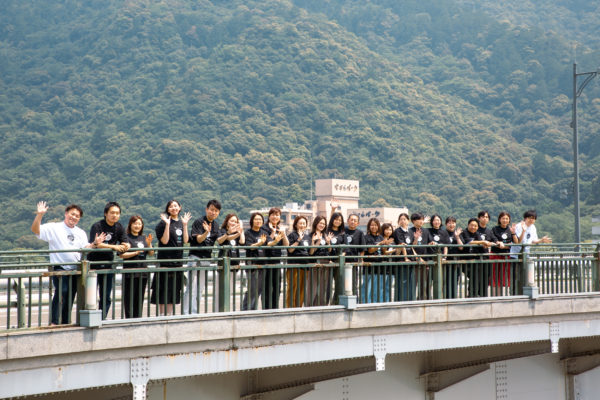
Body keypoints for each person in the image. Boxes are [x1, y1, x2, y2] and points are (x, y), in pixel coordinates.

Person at [31, 201, 104, 325]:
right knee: (62, 291)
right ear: (66, 213)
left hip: (75, 269)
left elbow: (85, 248)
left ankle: (65, 321)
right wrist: (40, 215)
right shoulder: (54, 227)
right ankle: (54, 321)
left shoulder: (80, 232)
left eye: (77, 216)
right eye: (72, 214)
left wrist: (94, 244)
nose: (74, 217)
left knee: (70, 295)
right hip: (60, 267)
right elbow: (35, 230)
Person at [87, 201, 130, 319]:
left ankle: (102, 318)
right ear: (106, 213)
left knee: (106, 296)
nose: (114, 215)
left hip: (108, 265)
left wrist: (126, 245)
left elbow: (125, 241)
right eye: (112, 213)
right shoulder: (97, 226)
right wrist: (114, 247)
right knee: (90, 296)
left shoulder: (119, 227)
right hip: (93, 265)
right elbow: (95, 244)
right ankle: (89, 319)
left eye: (117, 213)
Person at [150, 200, 191, 315]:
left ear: (180, 207)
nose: (174, 208)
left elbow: (186, 240)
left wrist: (185, 225)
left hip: (177, 263)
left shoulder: (181, 223)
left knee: (174, 292)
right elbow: (164, 241)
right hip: (165, 262)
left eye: (176, 206)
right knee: (163, 291)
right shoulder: (162, 223)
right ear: (168, 209)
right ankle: (162, 316)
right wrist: (167, 225)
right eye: (171, 206)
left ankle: (170, 316)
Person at [185, 199, 221, 314]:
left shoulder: (216, 225)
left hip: (206, 258)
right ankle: (186, 313)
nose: (213, 212)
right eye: (211, 210)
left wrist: (232, 233)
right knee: (191, 287)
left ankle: (194, 312)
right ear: (206, 209)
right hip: (195, 257)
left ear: (218, 213)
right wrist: (206, 232)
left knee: (200, 287)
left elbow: (219, 240)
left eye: (216, 211)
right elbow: (199, 240)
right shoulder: (199, 222)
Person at [118, 215, 154, 318]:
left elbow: (151, 253)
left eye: (139, 224)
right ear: (130, 225)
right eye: (135, 223)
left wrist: (149, 244)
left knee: (140, 297)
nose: (137, 226)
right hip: (130, 272)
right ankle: (129, 318)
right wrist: (135, 253)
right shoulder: (126, 238)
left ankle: (138, 318)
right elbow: (121, 255)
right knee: (129, 297)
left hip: (142, 272)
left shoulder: (143, 238)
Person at [261, 208, 289, 309]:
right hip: (266, 260)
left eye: (277, 215)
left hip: (277, 261)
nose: (275, 217)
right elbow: (267, 243)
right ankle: (266, 309)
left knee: (277, 286)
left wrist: (283, 234)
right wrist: (273, 232)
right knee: (267, 287)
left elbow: (286, 245)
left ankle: (275, 308)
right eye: (273, 215)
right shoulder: (264, 228)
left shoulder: (280, 228)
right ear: (269, 216)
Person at [459, 218, 493, 297]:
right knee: (475, 274)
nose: (473, 227)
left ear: (478, 227)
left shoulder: (477, 234)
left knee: (486, 271)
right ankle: (472, 294)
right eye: (471, 225)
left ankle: (482, 294)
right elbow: (469, 242)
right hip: (465, 261)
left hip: (476, 261)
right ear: (468, 225)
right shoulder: (464, 233)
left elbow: (481, 246)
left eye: (475, 226)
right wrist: (482, 242)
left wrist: (485, 245)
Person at [242, 212, 267, 310]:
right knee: (252, 289)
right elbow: (249, 247)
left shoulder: (263, 232)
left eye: (260, 219)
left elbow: (269, 243)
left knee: (258, 289)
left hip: (262, 264)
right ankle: (246, 310)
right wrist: (259, 243)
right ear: (252, 221)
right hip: (252, 264)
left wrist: (275, 240)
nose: (258, 221)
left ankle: (252, 309)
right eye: (256, 219)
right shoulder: (248, 233)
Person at [307, 216, 332, 306]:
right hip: (315, 262)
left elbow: (330, 250)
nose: (322, 225)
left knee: (323, 286)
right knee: (312, 286)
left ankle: (321, 306)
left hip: (326, 262)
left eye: (324, 224)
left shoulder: (325, 235)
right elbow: (311, 252)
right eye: (320, 223)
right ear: (316, 223)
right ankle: (309, 306)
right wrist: (316, 242)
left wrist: (328, 242)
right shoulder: (311, 235)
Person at [490, 212, 517, 295]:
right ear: (499, 219)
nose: (505, 220)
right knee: (495, 276)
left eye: (506, 219)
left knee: (506, 276)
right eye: (503, 218)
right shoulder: (495, 229)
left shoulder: (510, 230)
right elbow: (494, 240)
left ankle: (505, 295)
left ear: (509, 220)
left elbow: (515, 242)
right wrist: (500, 244)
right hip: (495, 255)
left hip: (506, 256)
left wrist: (513, 233)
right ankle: (496, 295)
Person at [286, 216, 310, 308]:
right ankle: (290, 308)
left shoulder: (307, 237)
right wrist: (298, 240)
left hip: (305, 266)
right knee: (292, 288)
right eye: (300, 223)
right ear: (296, 225)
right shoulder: (292, 235)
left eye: (304, 223)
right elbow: (290, 250)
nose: (302, 225)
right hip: (294, 266)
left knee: (302, 289)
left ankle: (298, 307)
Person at [410, 213, 432, 299]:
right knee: (413, 282)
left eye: (422, 219)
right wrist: (415, 238)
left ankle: (422, 299)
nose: (421, 221)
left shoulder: (425, 231)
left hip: (424, 260)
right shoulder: (410, 231)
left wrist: (432, 243)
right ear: (413, 221)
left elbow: (428, 242)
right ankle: (412, 299)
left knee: (424, 282)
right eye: (419, 219)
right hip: (414, 260)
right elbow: (411, 246)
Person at [393, 213, 415, 301]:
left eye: (404, 219)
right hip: (401, 259)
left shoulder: (410, 232)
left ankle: (410, 299)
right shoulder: (397, 231)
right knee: (402, 281)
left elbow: (412, 245)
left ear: (408, 221)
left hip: (411, 259)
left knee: (410, 281)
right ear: (398, 221)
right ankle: (401, 299)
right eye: (401, 219)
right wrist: (405, 258)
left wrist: (417, 257)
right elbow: (402, 245)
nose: (403, 221)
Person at [326, 212, 346, 304]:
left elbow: (345, 249)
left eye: (340, 220)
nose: (338, 221)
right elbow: (326, 248)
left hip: (339, 261)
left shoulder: (342, 233)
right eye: (336, 219)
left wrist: (341, 259)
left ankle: (335, 303)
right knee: (327, 284)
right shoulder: (327, 231)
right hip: (328, 261)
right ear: (332, 220)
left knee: (339, 283)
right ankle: (325, 303)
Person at [444, 216, 462, 299]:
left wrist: (457, 236)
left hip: (456, 262)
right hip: (445, 262)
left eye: (453, 223)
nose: (451, 225)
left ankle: (454, 298)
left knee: (455, 281)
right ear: (446, 224)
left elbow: (461, 247)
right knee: (445, 282)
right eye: (449, 223)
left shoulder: (458, 233)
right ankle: (446, 299)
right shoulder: (443, 233)